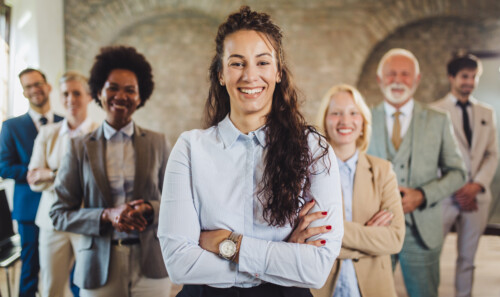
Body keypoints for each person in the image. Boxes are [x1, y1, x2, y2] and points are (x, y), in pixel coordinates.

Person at [158, 6, 343, 297]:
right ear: (220, 74)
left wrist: (227, 244)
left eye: (262, 62)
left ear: (278, 72)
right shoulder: (190, 149)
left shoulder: (313, 149)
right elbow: (179, 263)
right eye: (237, 63)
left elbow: (317, 268)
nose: (250, 75)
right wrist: (281, 258)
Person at [49, 46, 171, 297]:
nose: (121, 96)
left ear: (141, 96)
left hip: (151, 264)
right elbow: (59, 213)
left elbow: (179, 203)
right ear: (99, 92)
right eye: (113, 87)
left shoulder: (158, 142)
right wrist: (105, 215)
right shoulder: (79, 147)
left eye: (130, 90)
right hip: (98, 266)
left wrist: (150, 208)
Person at [367, 48, 467, 297]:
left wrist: (423, 195)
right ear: (380, 79)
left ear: (417, 79)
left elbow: (458, 173)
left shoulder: (438, 120)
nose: (398, 80)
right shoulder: (363, 118)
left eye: (405, 74)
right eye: (391, 74)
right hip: (374, 228)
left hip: (422, 231)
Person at [311, 84, 405, 297]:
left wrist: (330, 233)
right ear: (325, 120)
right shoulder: (307, 171)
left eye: (353, 113)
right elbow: (306, 238)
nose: (345, 121)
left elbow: (395, 238)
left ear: (363, 122)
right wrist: (370, 236)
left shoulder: (383, 171)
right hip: (321, 286)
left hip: (374, 287)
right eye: (336, 113)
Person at [431, 54, 498, 297]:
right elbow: (432, 157)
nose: (469, 82)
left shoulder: (486, 112)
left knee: (468, 259)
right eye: (464, 76)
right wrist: (456, 186)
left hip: (477, 197)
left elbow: (492, 154)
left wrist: (476, 185)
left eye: (474, 77)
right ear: (452, 77)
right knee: (431, 257)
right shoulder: (434, 111)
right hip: (445, 196)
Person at [28, 71, 99, 297]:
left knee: (91, 287)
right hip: (51, 222)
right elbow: (33, 180)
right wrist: (69, 176)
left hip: (86, 220)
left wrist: (50, 174)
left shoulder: (100, 133)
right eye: (66, 93)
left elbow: (96, 183)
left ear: (89, 96)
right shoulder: (47, 134)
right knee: (51, 288)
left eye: (76, 93)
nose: (71, 99)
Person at [0, 68, 63, 297]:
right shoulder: (11, 126)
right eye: (28, 86)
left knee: (69, 266)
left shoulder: (65, 123)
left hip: (61, 206)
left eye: (37, 84)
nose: (34, 89)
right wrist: (38, 172)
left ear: (47, 86)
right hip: (28, 210)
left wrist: (54, 173)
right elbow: (4, 167)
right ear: (24, 93)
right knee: (30, 268)